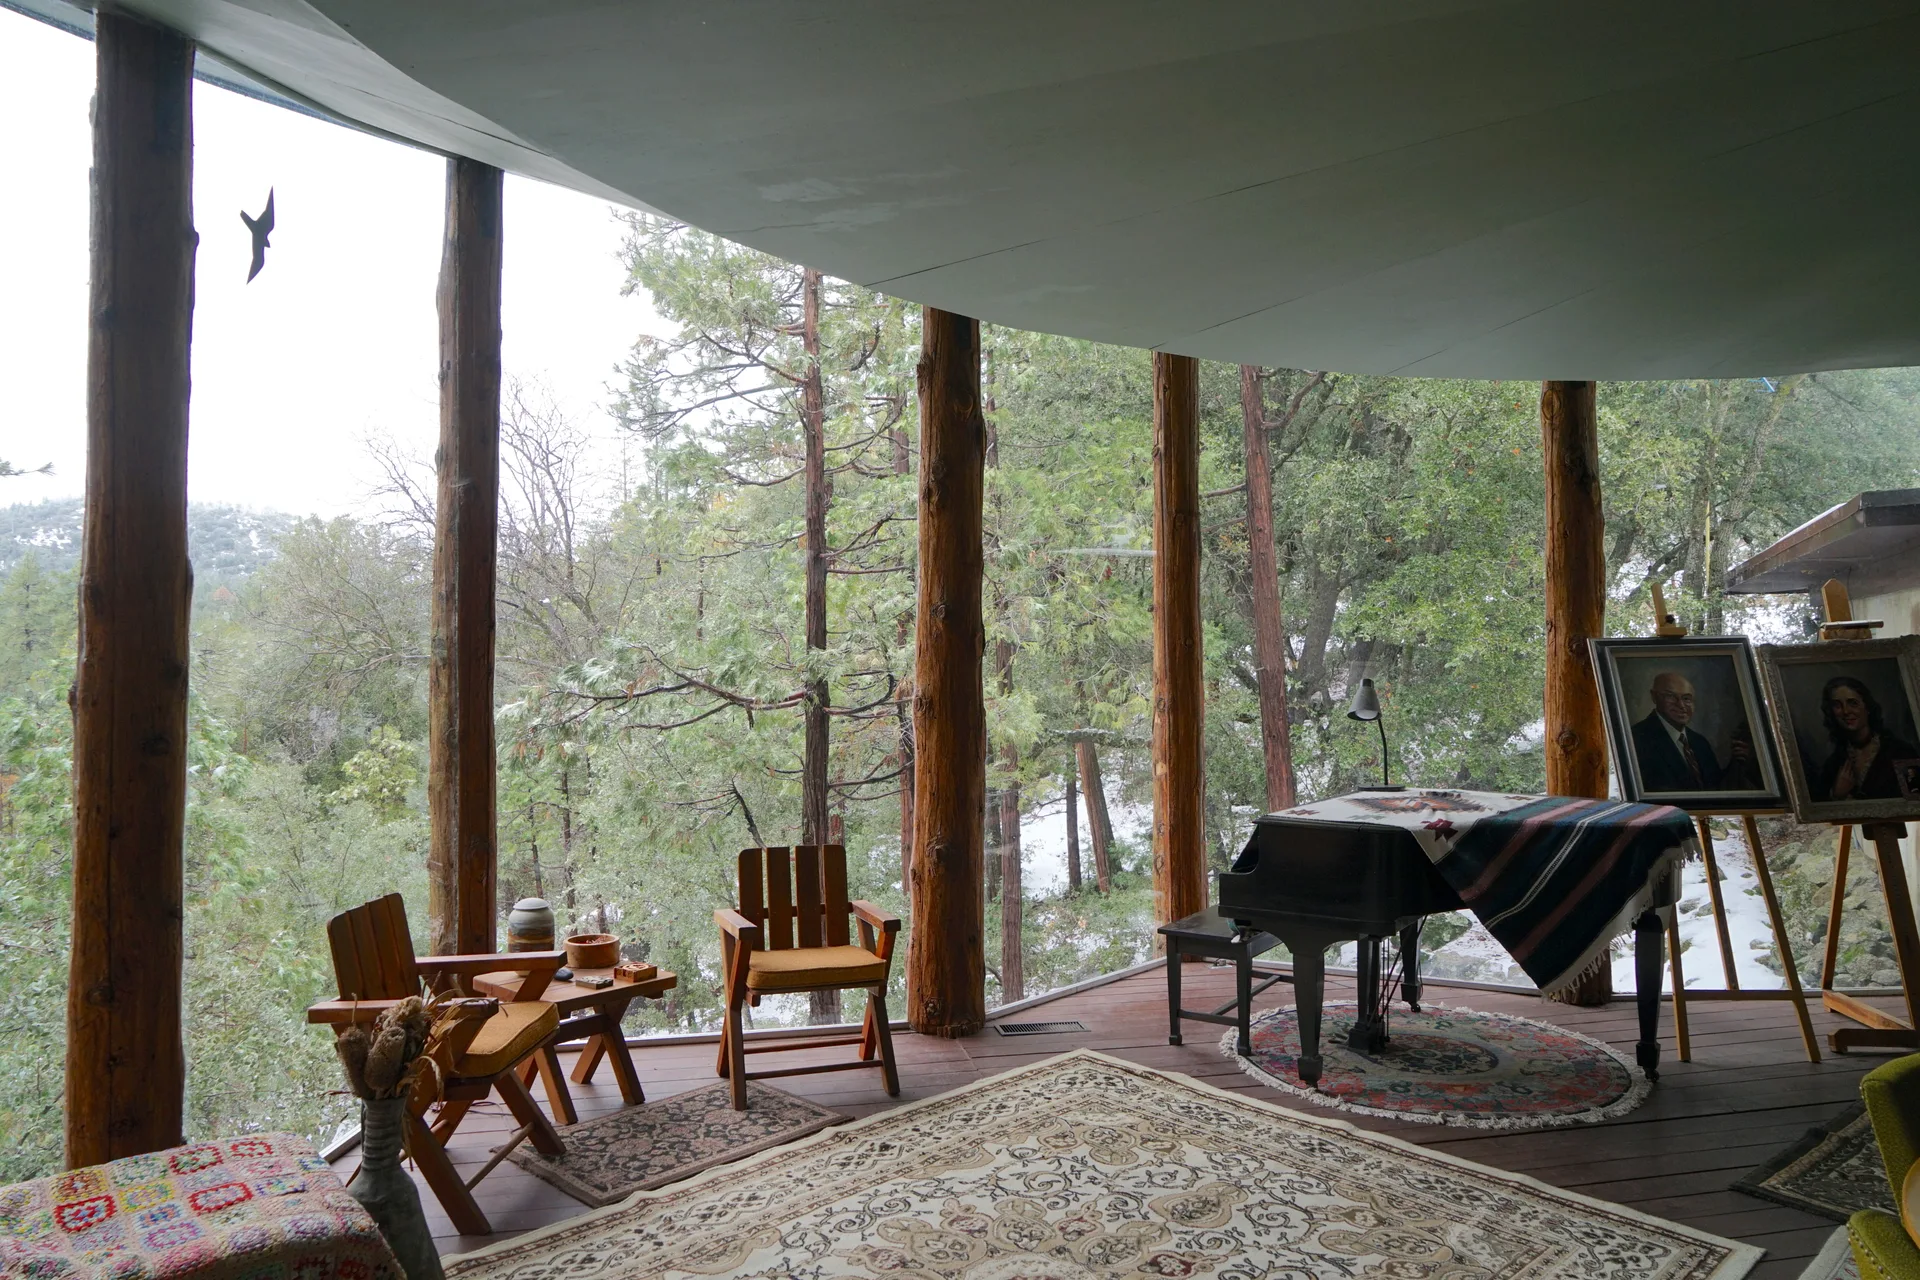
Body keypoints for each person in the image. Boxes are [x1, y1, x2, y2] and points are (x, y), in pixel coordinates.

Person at [1813, 675, 1920, 803]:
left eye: (1853, 703)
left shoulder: (1900, 752)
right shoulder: (1833, 763)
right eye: (1837, 705)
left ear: (1867, 707)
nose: (1846, 711)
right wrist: (1837, 795)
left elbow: (1915, 801)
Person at [1631, 672, 1722, 792]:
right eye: (1671, 696)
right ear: (1654, 697)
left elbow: (1717, 788)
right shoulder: (1636, 739)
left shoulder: (1700, 742)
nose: (1681, 705)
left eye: (1686, 698)